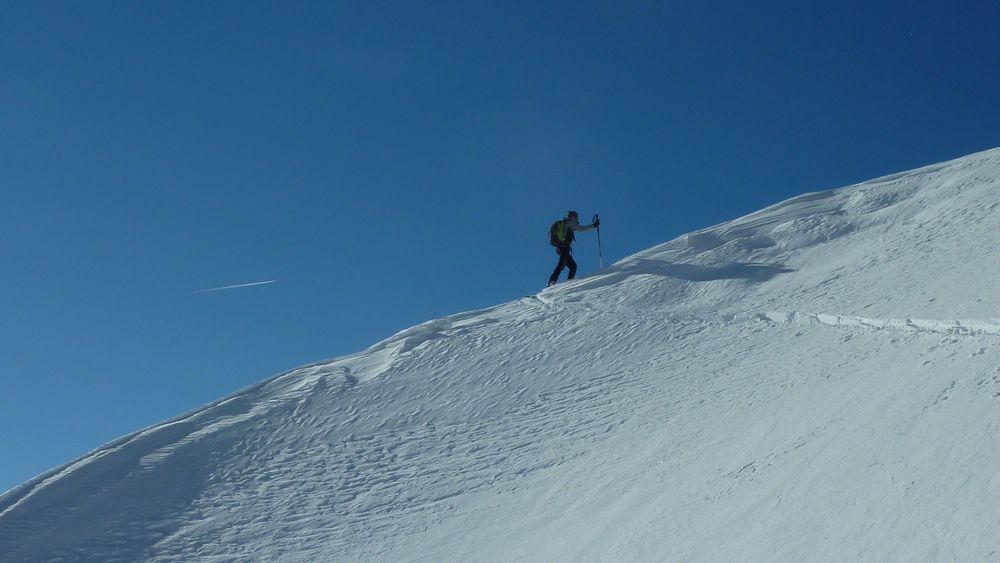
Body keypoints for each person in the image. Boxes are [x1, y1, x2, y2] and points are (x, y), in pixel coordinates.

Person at [547, 210, 600, 286]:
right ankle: (551, 282)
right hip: (565, 248)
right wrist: (594, 225)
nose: (578, 218)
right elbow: (582, 229)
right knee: (561, 265)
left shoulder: (564, 222)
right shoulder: (571, 223)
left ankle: (568, 283)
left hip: (559, 248)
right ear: (572, 217)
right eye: (576, 216)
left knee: (573, 266)